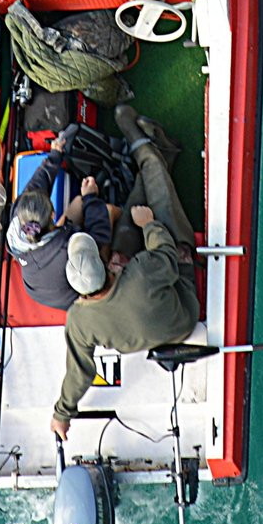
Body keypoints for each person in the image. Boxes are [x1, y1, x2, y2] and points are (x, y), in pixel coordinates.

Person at [50, 107, 202, 436]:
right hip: (183, 311)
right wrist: (150, 227)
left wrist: (63, 413)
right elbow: (168, 259)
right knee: (158, 208)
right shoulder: (142, 272)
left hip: (143, 328)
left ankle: (154, 156)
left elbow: (79, 373)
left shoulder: (78, 320)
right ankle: (148, 149)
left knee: (132, 217)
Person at [5, 157, 112, 311]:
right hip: (79, 294)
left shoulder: (18, 221)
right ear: (53, 215)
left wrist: (55, 155)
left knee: (78, 203)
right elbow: (99, 236)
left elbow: (37, 185)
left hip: (42, 276)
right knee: (108, 212)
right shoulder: (66, 247)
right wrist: (91, 197)